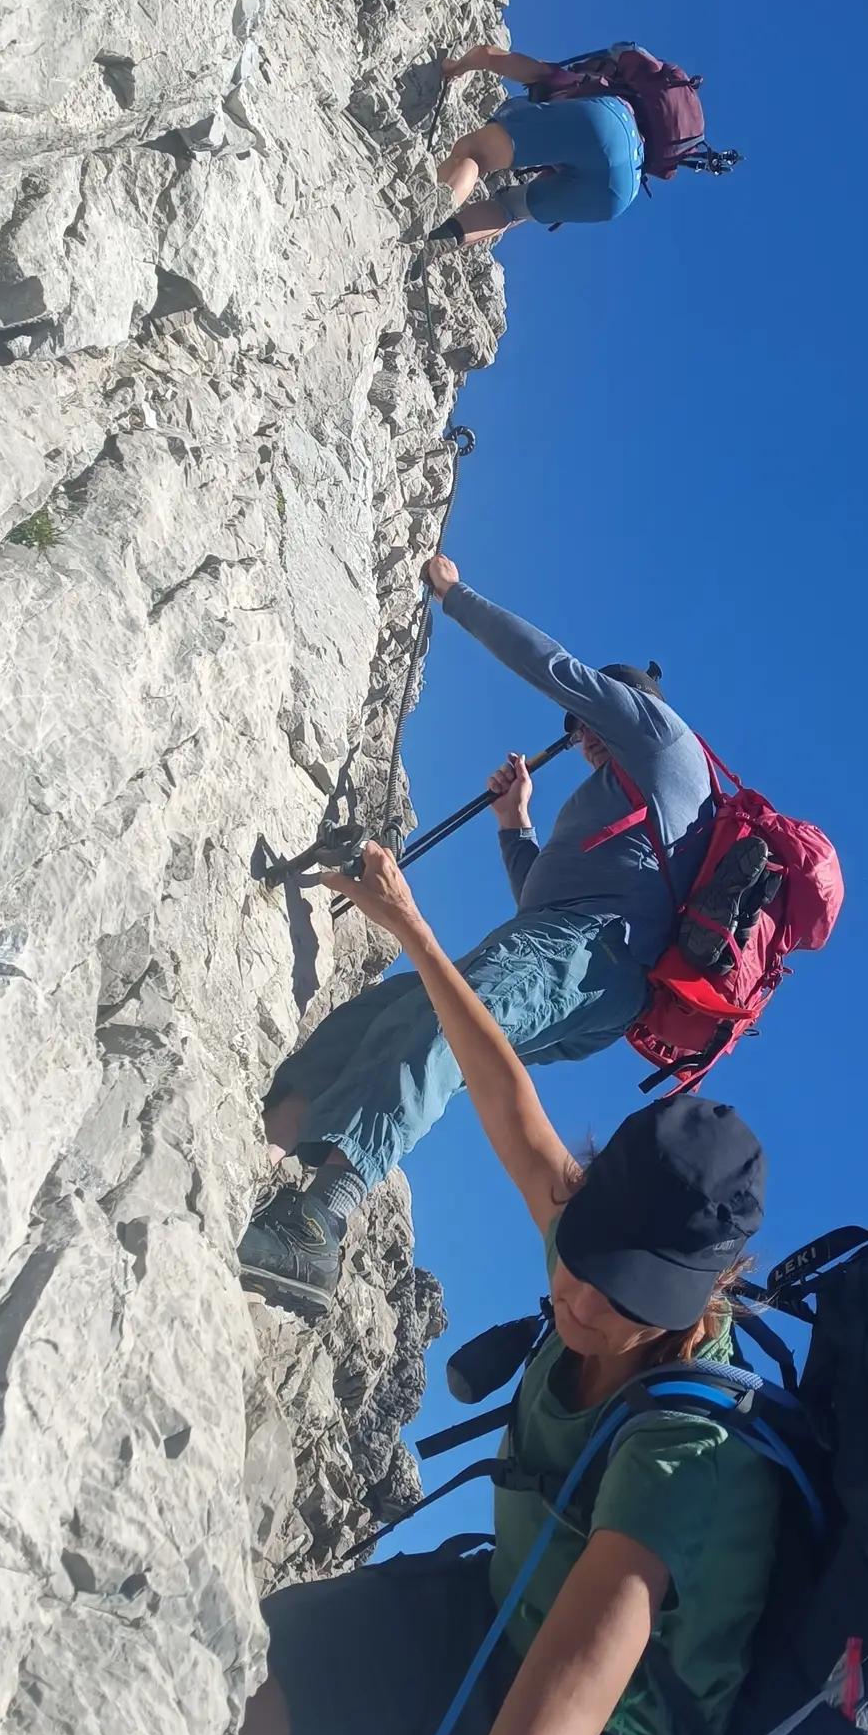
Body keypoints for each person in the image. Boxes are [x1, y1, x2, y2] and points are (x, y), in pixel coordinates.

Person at [228, 840, 779, 1735]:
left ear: (701, 1298)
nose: (579, 1297)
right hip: (492, 1620)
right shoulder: (593, 1233)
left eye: (627, 1293)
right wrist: (414, 926)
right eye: (582, 1259)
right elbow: (498, 1086)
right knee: (236, 1680)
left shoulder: (687, 1460)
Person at [238, 555, 715, 1316]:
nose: (580, 738)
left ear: (618, 708)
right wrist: (513, 825)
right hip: (575, 957)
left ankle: (317, 1223)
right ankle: (262, 1144)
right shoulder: (623, 799)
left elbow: (552, 666)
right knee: (394, 1011)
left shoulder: (660, 737)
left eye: (586, 724)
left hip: (587, 954)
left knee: (443, 1021)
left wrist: (454, 596)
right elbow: (539, 902)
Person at [428, 45, 643, 243]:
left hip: (606, 120)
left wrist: (455, 67)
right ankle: (435, 243)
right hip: (622, 193)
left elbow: (488, 55)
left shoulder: (574, 80)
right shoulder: (639, 138)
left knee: (475, 153)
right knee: (510, 208)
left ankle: (426, 216)